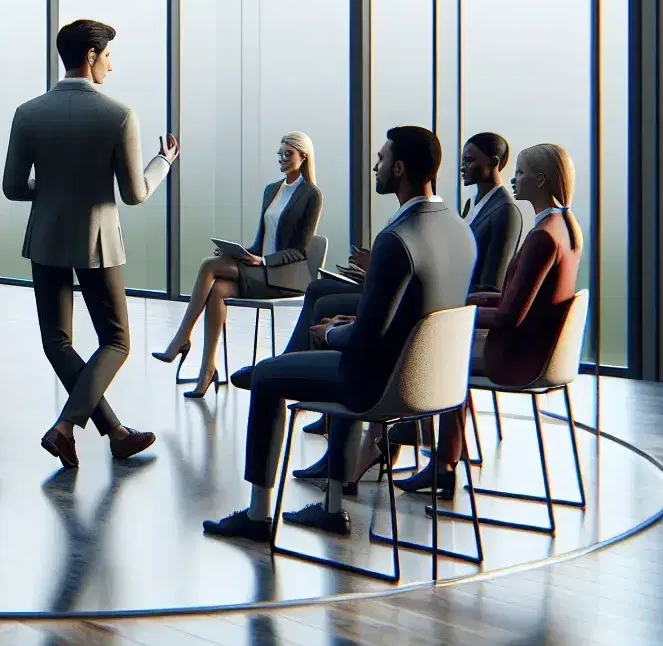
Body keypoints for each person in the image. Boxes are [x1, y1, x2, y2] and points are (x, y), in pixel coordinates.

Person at [203, 126, 474, 541]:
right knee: (343, 339)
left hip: (380, 384)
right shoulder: (458, 231)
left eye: (382, 159)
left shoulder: (395, 240)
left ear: (399, 169)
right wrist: (350, 327)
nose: (376, 166)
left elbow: (367, 341)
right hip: (434, 383)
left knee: (268, 377)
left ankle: (258, 516)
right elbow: (410, 315)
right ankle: (330, 506)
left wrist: (331, 335)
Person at [2, 19, 175, 469]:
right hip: (96, 241)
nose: (112, 67)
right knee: (116, 340)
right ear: (92, 55)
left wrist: (50, 184)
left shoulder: (28, 112)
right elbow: (135, 194)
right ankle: (69, 427)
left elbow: (13, 188)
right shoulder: (119, 115)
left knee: (57, 341)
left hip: (46, 237)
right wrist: (164, 161)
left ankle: (114, 432)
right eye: (109, 57)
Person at [397, 143, 583, 497]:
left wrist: (450, 312)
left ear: (541, 180)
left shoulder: (542, 237)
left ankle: (432, 455)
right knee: (447, 351)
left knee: (439, 355)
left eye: (523, 173)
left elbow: (509, 316)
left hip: (518, 357)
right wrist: (469, 300)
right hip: (540, 349)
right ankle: (440, 454)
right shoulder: (564, 229)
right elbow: (523, 301)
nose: (514, 179)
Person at [153, 132, 323, 399]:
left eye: (288, 153)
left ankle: (182, 338)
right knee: (219, 289)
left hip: (283, 277)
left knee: (209, 266)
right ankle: (207, 369)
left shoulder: (311, 194)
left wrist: (264, 260)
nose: (281, 157)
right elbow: (260, 241)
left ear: (303, 157)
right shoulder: (272, 190)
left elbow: (300, 251)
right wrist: (244, 253)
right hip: (260, 268)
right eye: (280, 152)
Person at [460, 132, 525, 294]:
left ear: (493, 162)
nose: (462, 167)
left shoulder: (506, 210)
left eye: (469, 160)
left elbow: (493, 284)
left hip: (472, 308)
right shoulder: (470, 205)